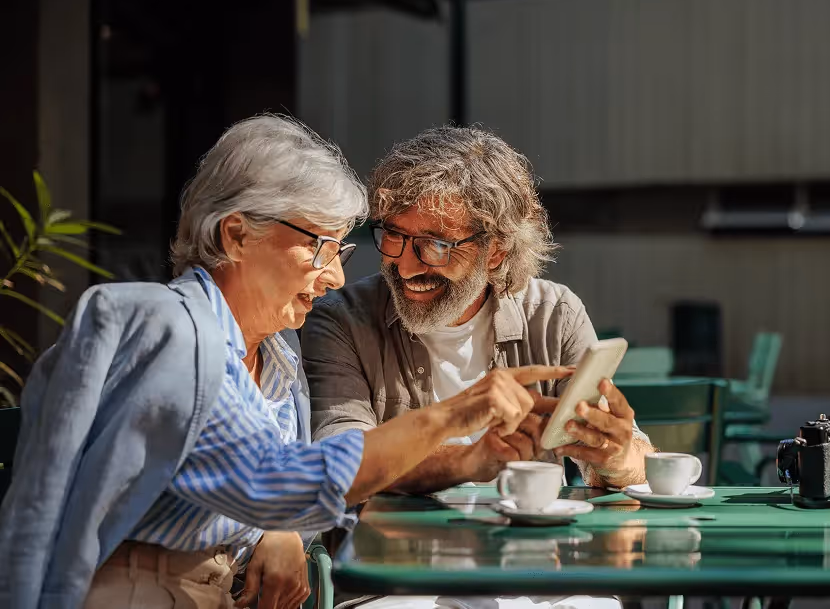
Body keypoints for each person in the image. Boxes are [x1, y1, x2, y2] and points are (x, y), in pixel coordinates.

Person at [0, 116, 567, 609]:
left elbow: (265, 489)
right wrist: (451, 416)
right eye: (320, 246)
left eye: (342, 250)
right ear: (237, 234)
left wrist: (281, 532)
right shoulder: (167, 329)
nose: (339, 275)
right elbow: (277, 482)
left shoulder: (275, 359)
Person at [304, 125, 655, 496]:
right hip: (391, 549)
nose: (405, 266)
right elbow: (338, 463)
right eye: (394, 235)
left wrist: (616, 458)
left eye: (435, 245)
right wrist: (470, 460)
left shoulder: (555, 315)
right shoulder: (341, 319)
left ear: (497, 252)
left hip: (529, 548)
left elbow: (624, 459)